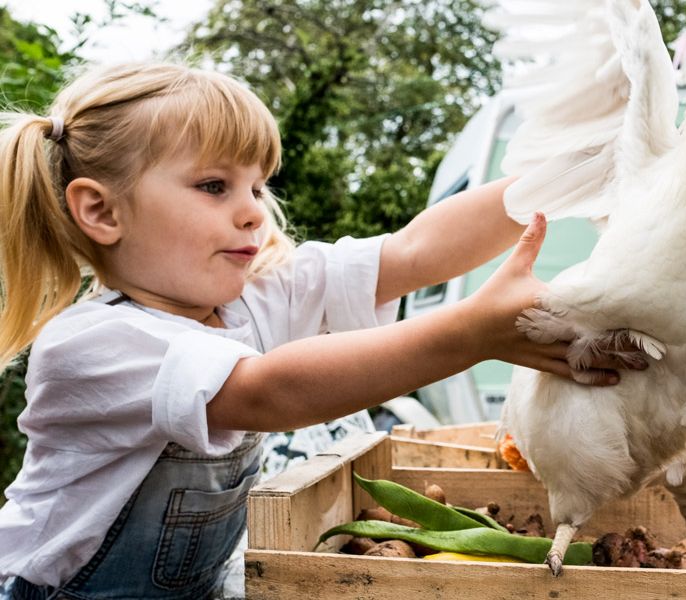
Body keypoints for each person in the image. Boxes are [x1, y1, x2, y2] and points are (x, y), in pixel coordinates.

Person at [0, 62, 638, 599]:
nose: (252, 212)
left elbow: (414, 252)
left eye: (256, 185)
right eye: (214, 186)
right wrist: (472, 332)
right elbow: (270, 393)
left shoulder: (254, 297)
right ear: (101, 211)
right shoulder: (89, 345)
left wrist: (577, 171)